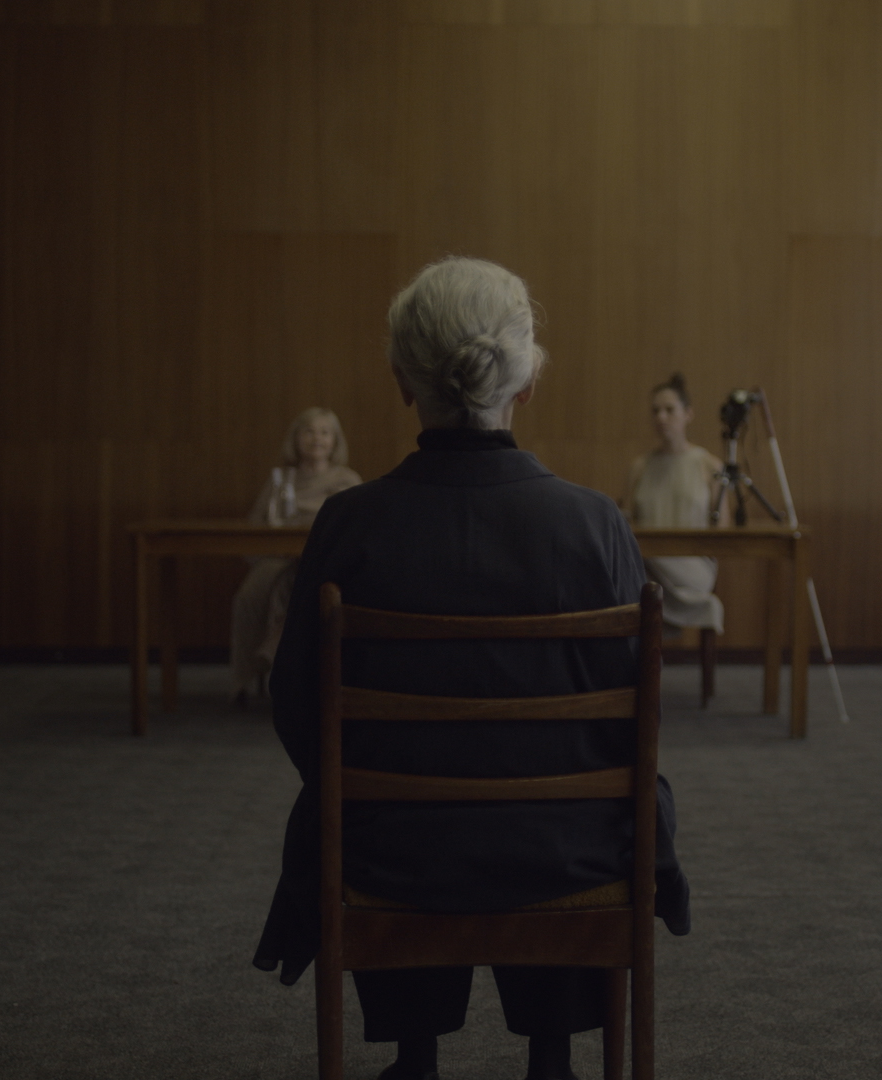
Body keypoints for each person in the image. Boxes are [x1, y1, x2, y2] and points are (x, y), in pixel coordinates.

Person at [251, 257, 692, 1080]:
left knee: (367, 811)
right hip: (566, 853)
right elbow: (636, 722)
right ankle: (553, 1059)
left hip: (392, 853)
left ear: (401, 380)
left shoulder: (350, 524)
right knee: (594, 803)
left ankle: (414, 1056)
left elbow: (297, 704)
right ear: (526, 385)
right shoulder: (595, 524)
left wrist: (383, 791)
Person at [230, 408, 362, 706]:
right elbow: (256, 524)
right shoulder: (281, 479)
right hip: (276, 557)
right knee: (250, 596)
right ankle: (246, 679)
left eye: (325, 432)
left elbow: (354, 531)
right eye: (309, 431)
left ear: (335, 441)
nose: (317, 439)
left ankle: (278, 661)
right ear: (296, 439)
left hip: (323, 562)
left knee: (294, 587)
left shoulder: (347, 480)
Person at [623, 373, 728, 636]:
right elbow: (628, 523)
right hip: (648, 571)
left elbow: (722, 531)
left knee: (635, 558)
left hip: (693, 568)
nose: (661, 417)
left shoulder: (709, 465)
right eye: (655, 411)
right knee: (629, 556)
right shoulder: (640, 467)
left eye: (669, 410)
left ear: (688, 414)